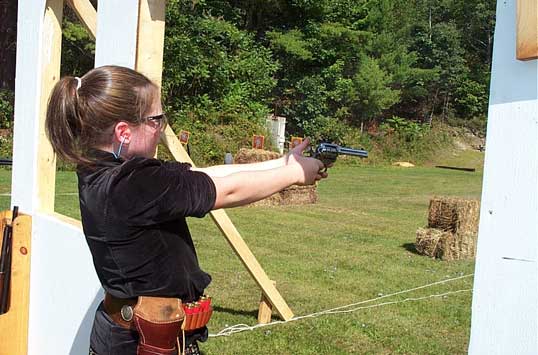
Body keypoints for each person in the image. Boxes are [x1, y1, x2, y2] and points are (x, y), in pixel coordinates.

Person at [45, 65, 327, 355]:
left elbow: (203, 175)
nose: (161, 128)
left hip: (132, 336)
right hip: (143, 343)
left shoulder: (102, 170)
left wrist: (283, 163)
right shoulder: (133, 183)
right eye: (157, 120)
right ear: (123, 132)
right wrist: (294, 175)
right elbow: (229, 190)